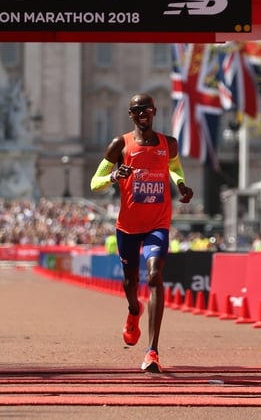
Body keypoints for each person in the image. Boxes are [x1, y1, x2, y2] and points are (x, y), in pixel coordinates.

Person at [89, 93, 193, 373]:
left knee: (156, 276)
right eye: (137, 110)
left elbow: (173, 167)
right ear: (131, 115)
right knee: (130, 282)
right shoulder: (120, 145)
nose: (143, 113)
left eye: (147, 108)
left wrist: (181, 184)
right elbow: (94, 182)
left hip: (158, 223)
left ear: (155, 112)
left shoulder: (167, 143)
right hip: (128, 226)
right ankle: (134, 311)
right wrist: (113, 176)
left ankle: (152, 351)